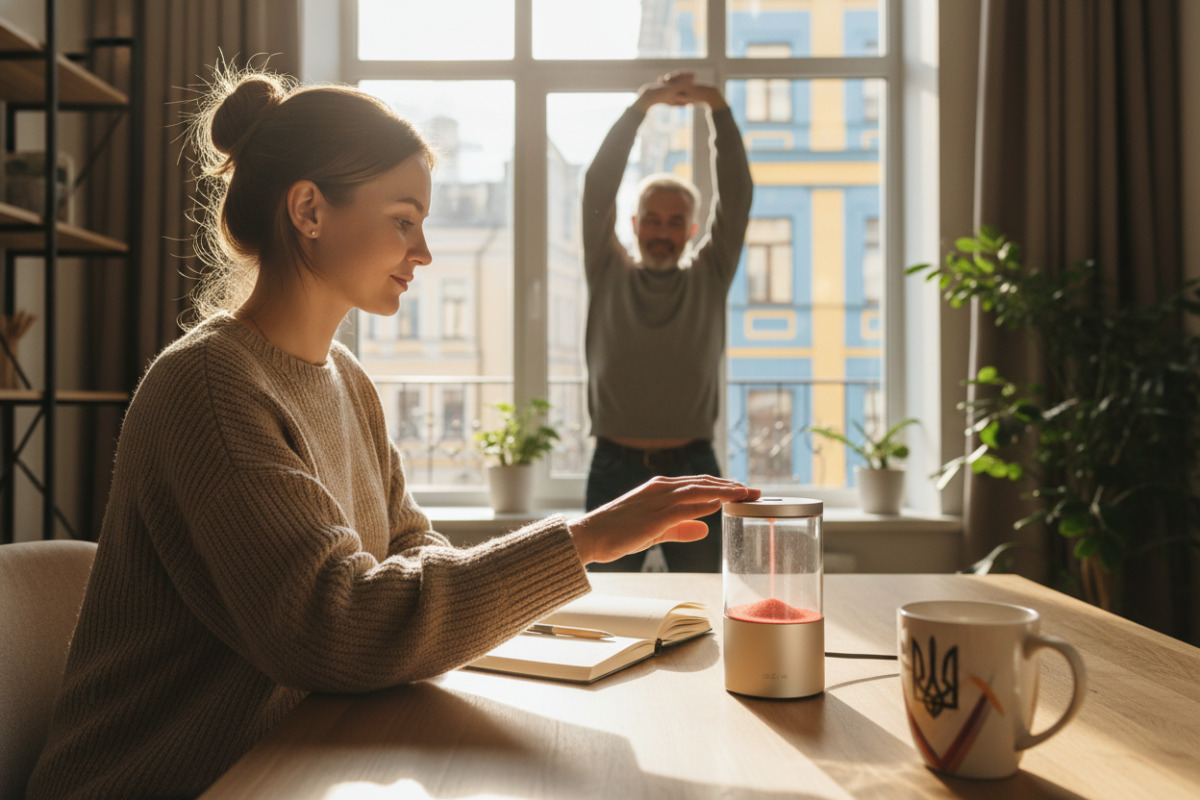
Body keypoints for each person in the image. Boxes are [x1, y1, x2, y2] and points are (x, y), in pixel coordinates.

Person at [25, 69, 758, 800]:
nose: (424, 252)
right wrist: (583, 542)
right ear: (309, 210)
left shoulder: (347, 379)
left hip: (291, 766)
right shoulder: (210, 389)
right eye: (404, 220)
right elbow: (329, 624)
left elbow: (412, 552)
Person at [582, 71, 753, 573]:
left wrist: (716, 106)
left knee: (706, 603)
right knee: (605, 609)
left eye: (675, 221)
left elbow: (738, 195)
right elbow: (598, 185)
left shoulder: (710, 273)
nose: (662, 231)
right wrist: (642, 105)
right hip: (614, 467)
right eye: (652, 219)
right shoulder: (606, 269)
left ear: (692, 230)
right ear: (633, 225)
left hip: (693, 468)